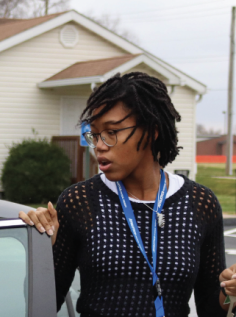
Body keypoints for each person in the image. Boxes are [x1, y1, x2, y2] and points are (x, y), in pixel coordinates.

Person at [19, 72, 236, 317]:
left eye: (111, 133)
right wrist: (43, 247)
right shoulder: (79, 201)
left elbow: (212, 310)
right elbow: (44, 304)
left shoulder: (200, 203)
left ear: (152, 131)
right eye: (95, 135)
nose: (100, 145)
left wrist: (230, 294)